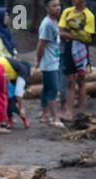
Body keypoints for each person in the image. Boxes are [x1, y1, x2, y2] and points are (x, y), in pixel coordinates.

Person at [59, 0, 95, 120]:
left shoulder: (88, 15)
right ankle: (68, 110)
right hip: (69, 49)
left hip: (82, 51)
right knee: (70, 81)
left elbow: (88, 37)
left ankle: (80, 110)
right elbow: (61, 32)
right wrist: (77, 35)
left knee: (81, 80)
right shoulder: (67, 12)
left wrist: (71, 33)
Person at [35, 0, 65, 128]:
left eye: (58, 5)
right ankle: (55, 118)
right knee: (53, 88)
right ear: (47, 8)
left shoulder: (55, 22)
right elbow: (41, 44)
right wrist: (38, 59)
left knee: (47, 87)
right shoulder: (47, 24)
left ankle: (44, 114)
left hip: (54, 59)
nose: (57, 8)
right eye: (54, 6)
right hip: (49, 63)